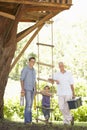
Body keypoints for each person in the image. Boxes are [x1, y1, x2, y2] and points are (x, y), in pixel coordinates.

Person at [20, 56, 36, 124]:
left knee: (30, 105)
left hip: (32, 89)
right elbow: (21, 79)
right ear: (29, 61)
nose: (33, 62)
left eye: (34, 61)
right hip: (27, 89)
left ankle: (29, 120)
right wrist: (22, 89)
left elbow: (35, 81)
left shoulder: (34, 70)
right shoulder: (25, 69)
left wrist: (35, 89)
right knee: (28, 104)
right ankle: (27, 121)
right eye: (31, 61)